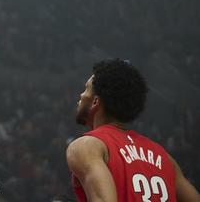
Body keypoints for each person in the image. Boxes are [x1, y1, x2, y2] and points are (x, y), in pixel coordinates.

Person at [67, 59, 200, 202]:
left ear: (95, 102)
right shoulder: (165, 158)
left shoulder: (87, 147)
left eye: (86, 89)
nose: (81, 95)